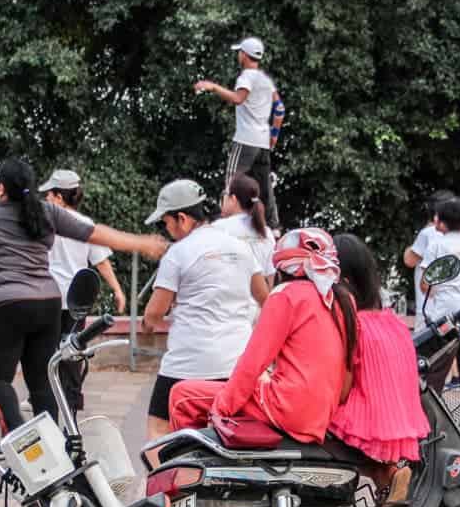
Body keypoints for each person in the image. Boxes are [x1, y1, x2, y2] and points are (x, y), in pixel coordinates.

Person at [0, 157, 164, 437]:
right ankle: (51, 445)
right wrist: (141, 243)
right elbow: (94, 234)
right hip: (48, 304)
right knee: (42, 383)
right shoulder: (47, 212)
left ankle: (20, 440)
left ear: (0, 188)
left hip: (7, 304)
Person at [168, 228, 356, 444]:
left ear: (282, 267)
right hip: (321, 415)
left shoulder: (286, 295)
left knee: (182, 396)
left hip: (288, 410)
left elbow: (252, 364)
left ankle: (189, 468)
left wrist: (220, 409)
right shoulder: (343, 301)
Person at [142, 179, 268, 440]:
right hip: (236, 364)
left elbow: (154, 314)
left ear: (182, 218)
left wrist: (154, 321)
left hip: (186, 366)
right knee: (226, 431)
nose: (167, 230)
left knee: (158, 428)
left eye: (166, 223)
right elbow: (265, 299)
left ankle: (158, 481)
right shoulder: (240, 247)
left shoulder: (178, 253)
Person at [328, 233, 429, 506]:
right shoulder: (392, 323)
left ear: (343, 281)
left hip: (367, 415)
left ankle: (385, 478)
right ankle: (391, 480)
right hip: (399, 417)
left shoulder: (352, 324)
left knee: (319, 425)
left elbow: (343, 388)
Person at [42, 168, 128, 414]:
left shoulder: (47, 225)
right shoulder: (86, 225)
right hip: (75, 303)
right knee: (71, 354)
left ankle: (50, 405)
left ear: (59, 197)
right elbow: (101, 261)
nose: (47, 199)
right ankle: (71, 405)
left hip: (48, 299)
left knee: (47, 355)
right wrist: (118, 290)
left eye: (49, 194)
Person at [407, 196, 460, 409]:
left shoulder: (436, 245)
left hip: (444, 320)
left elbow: (426, 284)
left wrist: (441, 297)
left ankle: (428, 423)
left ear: (439, 221)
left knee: (434, 372)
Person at [193, 36, 285, 227]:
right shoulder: (266, 81)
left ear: (244, 55)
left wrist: (213, 87)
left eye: (239, 53)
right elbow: (280, 110)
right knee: (265, 188)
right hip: (262, 143)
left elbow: (238, 98)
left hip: (245, 140)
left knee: (231, 182)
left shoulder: (246, 77)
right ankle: (273, 228)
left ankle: (223, 223)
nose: (238, 56)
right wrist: (273, 137)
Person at [212, 173, 275, 303]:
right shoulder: (267, 233)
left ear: (233, 199)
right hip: (258, 311)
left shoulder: (219, 229)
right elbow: (270, 279)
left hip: (227, 310)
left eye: (225, 194)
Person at [403, 191, 452, 319]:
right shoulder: (458, 235)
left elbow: (409, 260)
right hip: (452, 307)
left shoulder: (428, 233)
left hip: (429, 309)